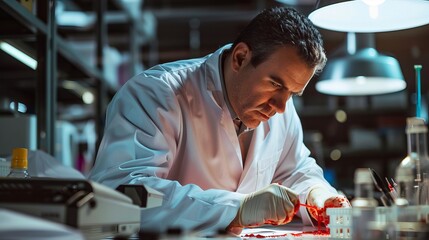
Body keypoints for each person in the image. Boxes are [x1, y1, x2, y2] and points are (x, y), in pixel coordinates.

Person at [89, 6, 350, 236]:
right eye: (275, 84)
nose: (281, 107)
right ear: (240, 58)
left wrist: (318, 193)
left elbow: (294, 169)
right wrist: (237, 208)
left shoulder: (282, 109)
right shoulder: (156, 94)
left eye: (292, 93)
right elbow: (124, 193)